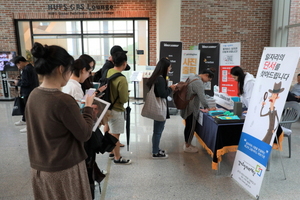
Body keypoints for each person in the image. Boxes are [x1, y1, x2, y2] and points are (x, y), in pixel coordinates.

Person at [26, 42, 95, 199]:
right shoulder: (63, 100)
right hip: (63, 169)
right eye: (70, 70)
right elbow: (84, 134)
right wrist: (89, 108)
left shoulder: (34, 94)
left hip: (39, 168)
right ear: (60, 69)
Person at [146, 58, 176, 158]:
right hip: (160, 108)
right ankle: (155, 152)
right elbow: (162, 94)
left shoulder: (155, 77)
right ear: (165, 67)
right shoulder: (160, 79)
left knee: (157, 130)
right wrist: (170, 89)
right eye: (169, 67)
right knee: (158, 131)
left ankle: (156, 148)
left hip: (157, 107)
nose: (170, 69)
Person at [180, 68, 215, 153]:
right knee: (191, 126)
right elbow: (202, 97)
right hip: (191, 107)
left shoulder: (192, 76)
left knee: (188, 125)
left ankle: (187, 143)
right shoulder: (198, 82)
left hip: (186, 105)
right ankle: (188, 146)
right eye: (208, 79)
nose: (207, 82)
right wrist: (208, 108)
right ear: (206, 75)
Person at [107, 51, 131, 164]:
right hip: (117, 109)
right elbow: (123, 99)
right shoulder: (122, 79)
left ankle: (112, 152)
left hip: (108, 107)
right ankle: (117, 157)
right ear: (124, 63)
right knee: (115, 135)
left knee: (112, 131)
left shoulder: (109, 71)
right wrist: (126, 93)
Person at [12, 56, 39, 133]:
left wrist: (18, 83)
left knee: (29, 110)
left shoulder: (27, 70)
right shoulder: (30, 68)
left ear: (20, 62)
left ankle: (29, 126)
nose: (18, 67)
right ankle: (24, 120)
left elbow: (26, 82)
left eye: (18, 65)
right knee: (26, 108)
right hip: (31, 91)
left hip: (28, 92)